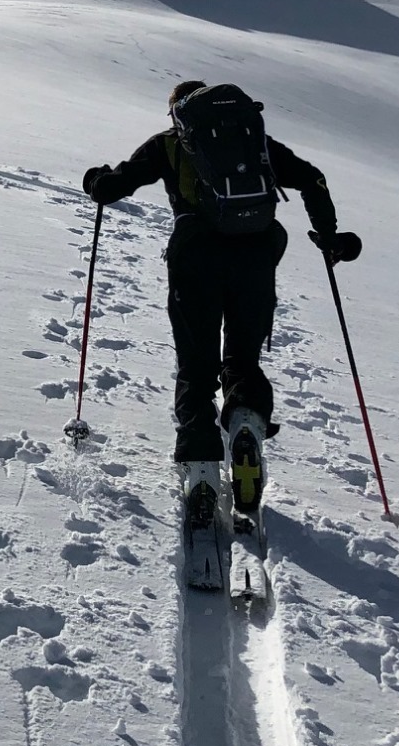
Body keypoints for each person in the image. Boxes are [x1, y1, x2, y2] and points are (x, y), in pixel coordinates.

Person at [83, 80, 362, 570]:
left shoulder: (170, 144)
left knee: (196, 365)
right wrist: (330, 234)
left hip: (194, 259)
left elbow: (116, 185)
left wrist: (97, 181)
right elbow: (311, 178)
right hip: (255, 257)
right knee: (243, 358)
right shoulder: (254, 141)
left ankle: (202, 472)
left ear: (178, 114)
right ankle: (245, 427)